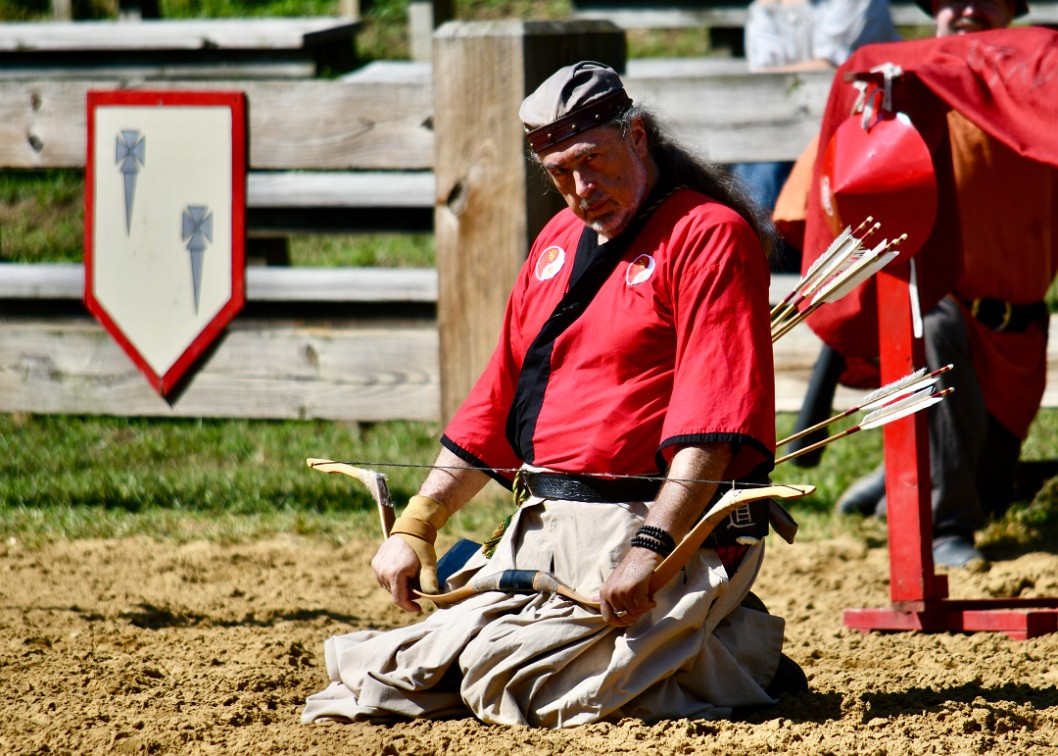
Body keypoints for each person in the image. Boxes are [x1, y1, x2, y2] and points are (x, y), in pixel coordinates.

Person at [301, 61, 803, 728]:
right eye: (560, 172)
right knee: (390, 676)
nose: (581, 188)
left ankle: (738, 654)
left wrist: (651, 549)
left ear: (640, 136)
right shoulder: (555, 245)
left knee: (521, 688)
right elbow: (494, 406)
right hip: (539, 538)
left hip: (648, 531)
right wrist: (418, 526)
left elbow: (710, 426)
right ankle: (704, 651)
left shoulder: (707, 236)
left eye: (594, 160)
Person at [790, 0, 1058, 568]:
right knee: (932, 324)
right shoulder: (893, 91)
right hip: (940, 320)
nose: (965, 8)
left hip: (1018, 333)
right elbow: (825, 210)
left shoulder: (1040, 92)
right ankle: (939, 521)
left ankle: (900, 483)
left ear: (1011, 8)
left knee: (988, 490)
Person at [734, 0, 901, 273]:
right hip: (787, 134)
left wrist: (782, 78)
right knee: (756, 169)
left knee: (763, 176)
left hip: (859, 133)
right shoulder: (763, 9)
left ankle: (765, 271)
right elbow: (763, 79)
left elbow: (831, 65)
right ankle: (757, 269)